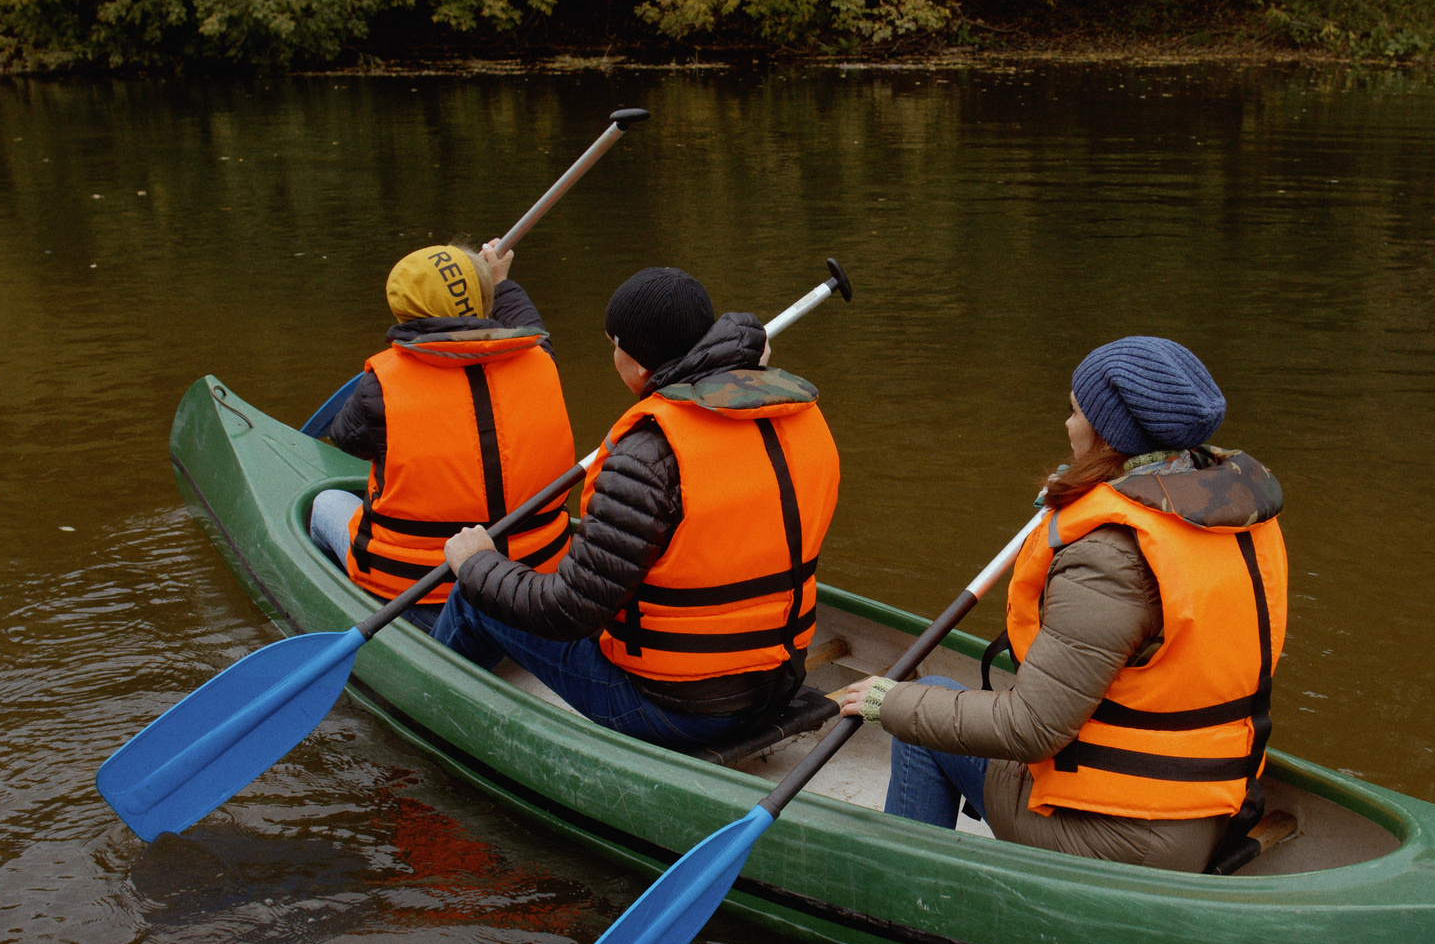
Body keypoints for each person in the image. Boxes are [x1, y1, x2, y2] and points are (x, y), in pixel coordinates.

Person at [832, 337, 1287, 872]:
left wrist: (888, 703)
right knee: (940, 705)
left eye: (1075, 412)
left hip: (1124, 836)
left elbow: (1032, 728)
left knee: (921, 708)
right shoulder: (1225, 511)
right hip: (1212, 803)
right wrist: (1086, 485)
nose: (1067, 426)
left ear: (1106, 436)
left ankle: (903, 890)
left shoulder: (1110, 555)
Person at [432, 266, 841, 751]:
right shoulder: (800, 413)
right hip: (777, 681)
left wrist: (476, 562)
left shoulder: (649, 455)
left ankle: (423, 700)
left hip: (675, 710)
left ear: (639, 362)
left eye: (614, 344)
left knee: (474, 597)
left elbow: (569, 612)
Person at [308, 240, 576, 632]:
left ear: (406, 310)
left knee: (323, 503)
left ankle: (354, 606)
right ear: (485, 299)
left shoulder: (379, 386)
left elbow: (346, 438)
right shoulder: (540, 362)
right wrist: (502, 283)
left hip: (421, 592)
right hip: (533, 577)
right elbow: (532, 326)